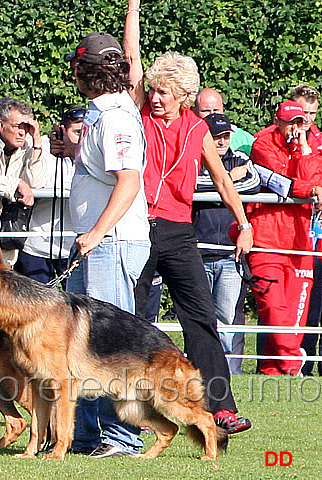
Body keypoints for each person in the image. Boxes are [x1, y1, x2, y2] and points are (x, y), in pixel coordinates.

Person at [124, 0, 253, 434]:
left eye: (165, 92)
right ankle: (139, 412)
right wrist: (133, 10)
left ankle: (223, 409)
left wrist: (244, 223)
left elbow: (222, 180)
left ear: (184, 97)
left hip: (179, 232)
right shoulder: (139, 114)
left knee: (201, 319)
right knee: (133, 318)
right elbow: (132, 60)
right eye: (154, 90)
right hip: (139, 228)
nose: (156, 98)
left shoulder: (198, 129)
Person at [62, 33, 150, 458]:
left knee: (107, 343)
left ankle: (123, 437)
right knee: (80, 342)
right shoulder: (106, 113)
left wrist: (96, 233)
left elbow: (129, 181)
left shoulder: (114, 118)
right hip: (98, 243)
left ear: (84, 71)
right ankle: (86, 435)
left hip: (110, 243)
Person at [245, 100, 322, 376]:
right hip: (266, 236)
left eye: (299, 122)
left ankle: (273, 368)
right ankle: (292, 363)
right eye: (289, 122)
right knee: (272, 305)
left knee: (295, 311)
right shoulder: (262, 143)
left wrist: (303, 150)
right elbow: (283, 182)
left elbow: (314, 177)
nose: (294, 128)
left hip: (300, 240)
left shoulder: (309, 145)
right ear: (276, 122)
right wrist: (311, 188)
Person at [193, 113, 261, 375]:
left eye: (225, 136)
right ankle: (199, 371)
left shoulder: (241, 159)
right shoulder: (194, 159)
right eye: (216, 136)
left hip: (230, 255)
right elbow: (189, 185)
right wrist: (227, 180)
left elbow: (254, 183)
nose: (221, 141)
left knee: (226, 318)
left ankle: (227, 373)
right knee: (199, 319)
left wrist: (224, 182)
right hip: (197, 252)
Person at [0, 97, 46, 265]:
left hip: (6, 237)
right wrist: (16, 184)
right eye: (17, 126)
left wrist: (37, 143)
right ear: (0, 124)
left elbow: (35, 184)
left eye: (27, 127)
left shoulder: (28, 145)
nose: (22, 132)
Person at [14, 106, 84, 283]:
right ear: (61, 131)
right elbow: (34, 182)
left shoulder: (91, 152)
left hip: (73, 247)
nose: (81, 139)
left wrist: (75, 154)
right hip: (36, 245)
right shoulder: (42, 146)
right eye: (76, 132)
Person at [255, 84, 321, 153]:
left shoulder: (319, 139)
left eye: (312, 113)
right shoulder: (263, 139)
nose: (307, 119)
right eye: (304, 112)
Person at [193, 88, 256, 155]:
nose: (212, 114)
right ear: (194, 111)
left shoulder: (243, 138)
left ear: (222, 109)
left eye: (216, 110)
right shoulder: (189, 137)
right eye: (206, 111)